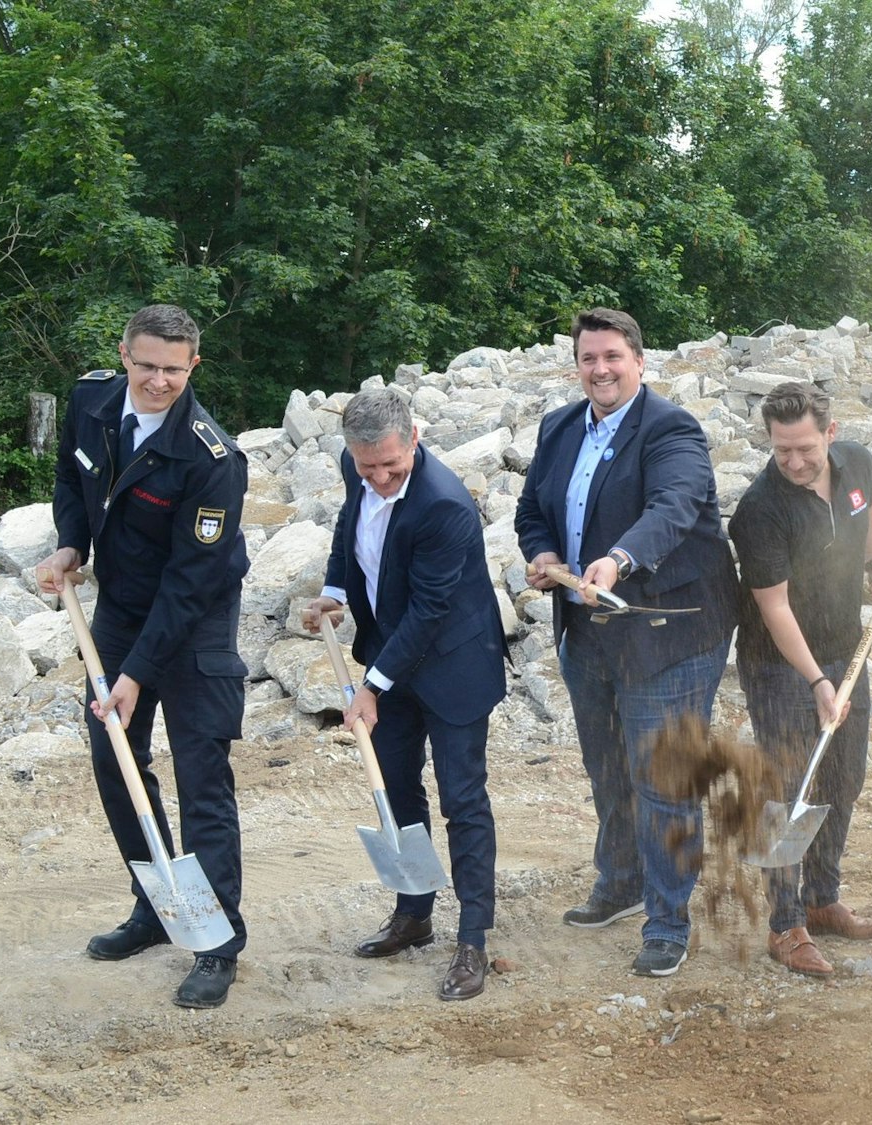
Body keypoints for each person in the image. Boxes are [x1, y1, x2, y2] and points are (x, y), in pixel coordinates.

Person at [514, 307, 740, 977]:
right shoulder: (559, 427)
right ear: (576, 364)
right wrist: (545, 550)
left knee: (664, 780)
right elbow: (532, 510)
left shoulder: (671, 429)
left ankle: (668, 920)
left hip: (673, 626)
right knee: (607, 766)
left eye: (613, 356)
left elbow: (672, 508)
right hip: (589, 624)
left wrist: (617, 559)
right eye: (589, 358)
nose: (601, 369)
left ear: (639, 362)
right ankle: (620, 880)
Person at [37, 304, 250, 1009]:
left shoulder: (211, 456)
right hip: (123, 606)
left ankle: (216, 941)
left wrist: (131, 675)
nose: (158, 381)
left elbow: (191, 584)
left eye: (173, 369)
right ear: (124, 353)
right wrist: (72, 541)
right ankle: (157, 901)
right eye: (147, 364)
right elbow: (74, 478)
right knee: (113, 756)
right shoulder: (91, 400)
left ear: (195, 365)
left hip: (196, 618)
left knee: (200, 771)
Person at [302, 389, 507, 1001]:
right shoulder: (357, 466)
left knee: (462, 799)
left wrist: (371, 687)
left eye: (391, 465)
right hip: (392, 653)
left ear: (413, 438)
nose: (381, 478)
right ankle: (414, 913)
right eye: (369, 468)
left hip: (453, 664)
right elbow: (348, 524)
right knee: (394, 789)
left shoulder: (444, 505)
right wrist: (336, 588)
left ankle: (473, 938)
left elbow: (428, 611)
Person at [728, 382, 872, 976]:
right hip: (780, 666)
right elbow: (774, 609)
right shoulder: (760, 510)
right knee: (789, 789)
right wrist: (815, 682)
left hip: (844, 648)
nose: (795, 462)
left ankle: (822, 898)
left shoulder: (856, 462)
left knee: (843, 776)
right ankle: (785, 925)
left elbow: (871, 506)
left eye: (805, 448)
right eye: (783, 452)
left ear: (829, 434)